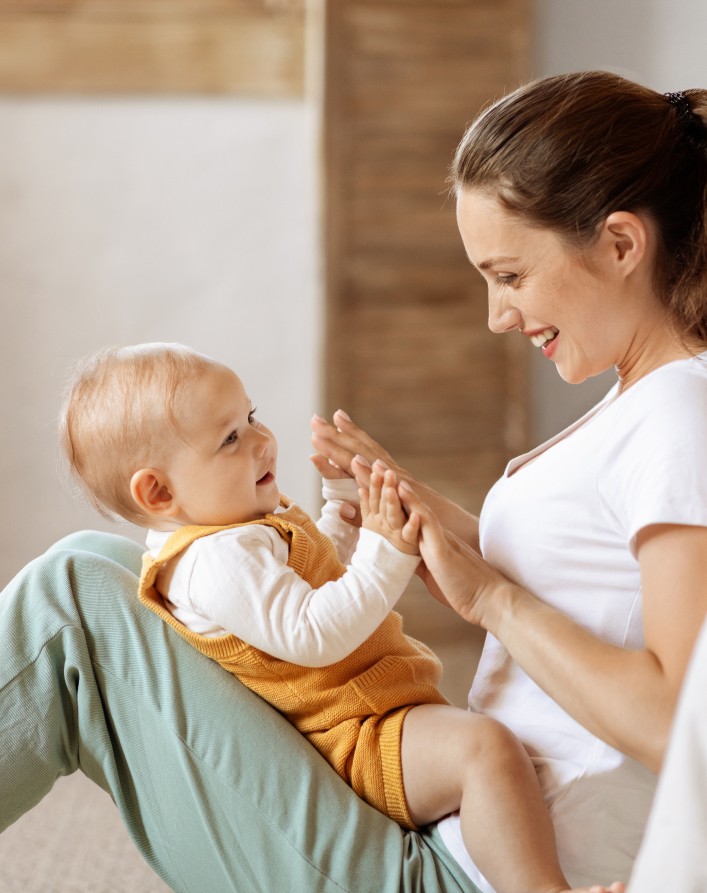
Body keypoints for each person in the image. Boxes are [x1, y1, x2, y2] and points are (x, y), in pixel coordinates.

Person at [310, 70, 707, 891]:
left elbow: (679, 722)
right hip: (473, 837)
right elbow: (582, 575)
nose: (495, 315)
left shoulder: (677, 418)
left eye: (510, 276)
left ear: (621, 244)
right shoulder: (642, 398)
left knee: (79, 598)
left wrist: (487, 597)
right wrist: (428, 521)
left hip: (489, 869)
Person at [58, 342, 614, 893]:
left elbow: (317, 573)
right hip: (353, 737)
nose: (262, 440)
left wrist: (343, 506)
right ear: (158, 491)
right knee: (485, 752)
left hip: (373, 713)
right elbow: (314, 631)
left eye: (251, 417)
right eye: (230, 438)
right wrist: (386, 550)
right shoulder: (211, 562)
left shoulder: (235, 535)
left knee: (487, 753)